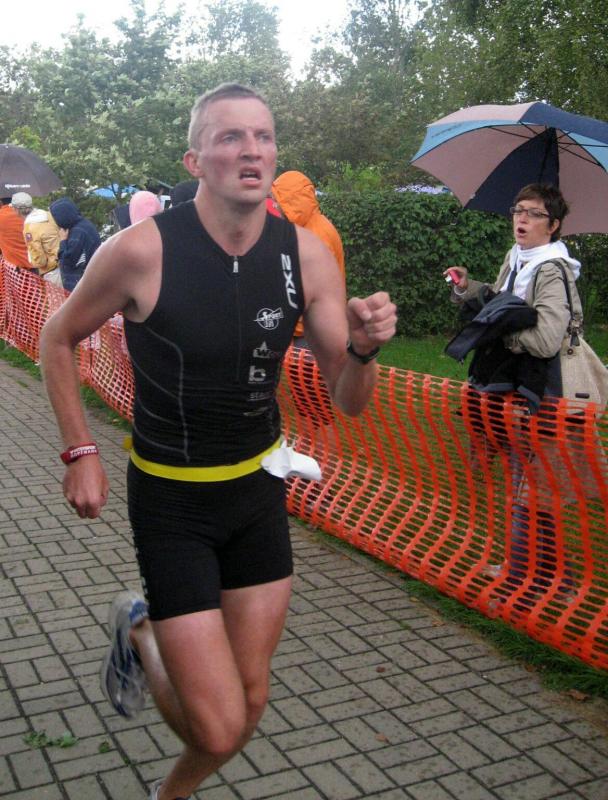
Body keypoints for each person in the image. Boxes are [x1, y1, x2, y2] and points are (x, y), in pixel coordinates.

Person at [39, 82, 396, 800]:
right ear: (195, 160)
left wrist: (363, 352)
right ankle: (142, 631)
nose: (251, 150)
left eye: (263, 136)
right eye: (230, 137)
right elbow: (56, 337)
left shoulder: (307, 255)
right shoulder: (139, 250)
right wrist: (81, 451)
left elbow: (349, 402)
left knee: (250, 699)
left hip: (257, 495)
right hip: (171, 503)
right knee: (219, 725)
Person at [444, 183, 582, 607]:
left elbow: (546, 339)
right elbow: (502, 301)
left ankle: (520, 582)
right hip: (517, 388)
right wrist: (469, 289)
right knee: (531, 487)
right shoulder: (518, 258)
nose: (521, 219)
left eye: (534, 213)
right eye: (518, 210)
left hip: (543, 392)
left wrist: (499, 333)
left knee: (529, 491)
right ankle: (553, 578)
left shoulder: (552, 269)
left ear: (553, 225)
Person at [271, 170, 346, 346]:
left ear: (292, 201)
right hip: (306, 329)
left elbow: (308, 291)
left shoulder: (317, 236)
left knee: (304, 367)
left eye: (278, 200)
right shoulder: (307, 228)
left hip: (311, 333)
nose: (275, 205)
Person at [49, 197, 101, 291]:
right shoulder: (84, 224)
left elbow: (68, 261)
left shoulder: (77, 233)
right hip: (91, 278)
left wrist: (63, 241)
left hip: (81, 285)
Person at [10, 191, 61, 280]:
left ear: (17, 210)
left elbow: (40, 261)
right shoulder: (48, 215)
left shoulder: (29, 228)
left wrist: (33, 262)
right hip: (65, 262)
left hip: (52, 270)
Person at [0, 195, 31, 269]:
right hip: (36, 262)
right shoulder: (27, 213)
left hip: (15, 268)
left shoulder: (2, 216)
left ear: (1, 202)